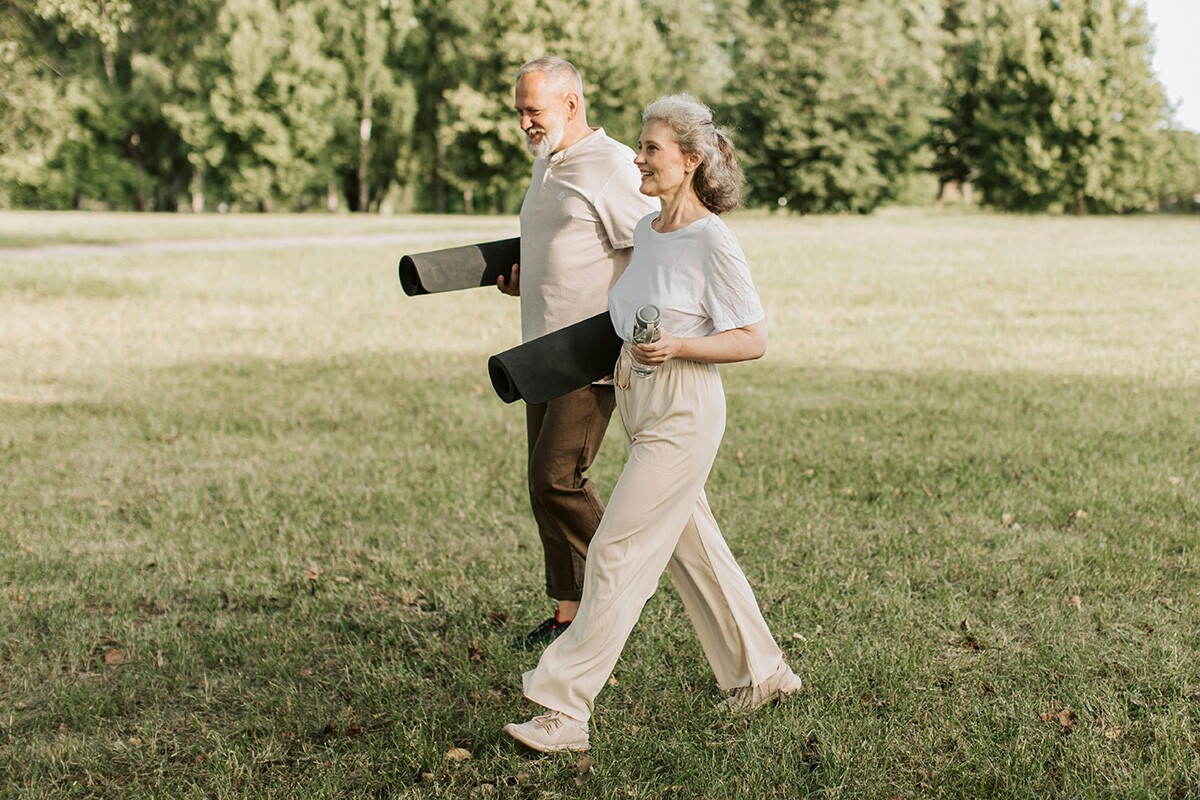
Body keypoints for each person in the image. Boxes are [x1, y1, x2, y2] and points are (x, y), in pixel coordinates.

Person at [503, 94, 802, 754]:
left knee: (616, 551)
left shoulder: (711, 240)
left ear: (691, 161)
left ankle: (563, 709)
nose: (637, 158)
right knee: (697, 553)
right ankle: (764, 674)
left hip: (685, 410)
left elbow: (752, 338)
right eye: (639, 146)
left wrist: (679, 347)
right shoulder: (648, 231)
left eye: (652, 149)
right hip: (643, 404)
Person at [499, 57, 659, 650]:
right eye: (518, 111)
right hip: (539, 349)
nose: (523, 123)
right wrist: (525, 275)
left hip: (586, 352)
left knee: (556, 478)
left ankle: (623, 590)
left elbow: (653, 248)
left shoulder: (613, 165)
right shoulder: (550, 163)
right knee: (541, 480)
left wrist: (636, 333)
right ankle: (570, 614)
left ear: (570, 104)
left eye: (532, 111)